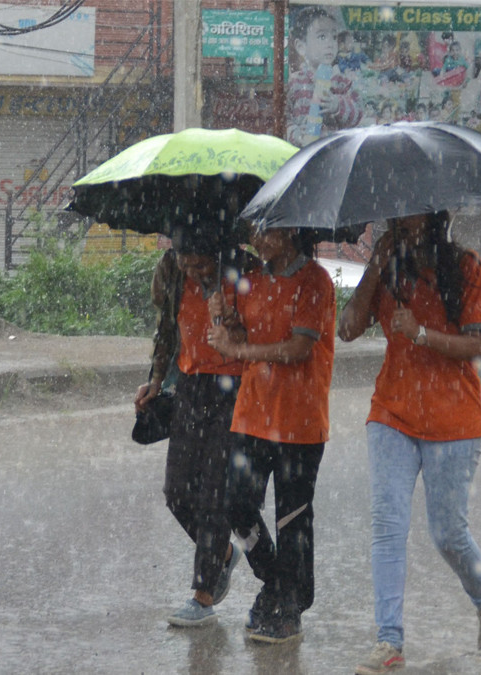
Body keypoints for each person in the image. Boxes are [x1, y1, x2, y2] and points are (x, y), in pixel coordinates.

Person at [337, 211, 481, 674]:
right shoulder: (389, 269)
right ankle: (388, 642)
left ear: (433, 217)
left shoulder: (468, 268)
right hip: (391, 414)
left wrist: (421, 333)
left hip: (454, 419)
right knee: (388, 527)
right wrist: (375, 266)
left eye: (410, 215)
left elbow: (478, 346)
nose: (400, 222)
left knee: (447, 533)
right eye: (395, 216)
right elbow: (347, 329)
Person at [206, 226, 335, 645]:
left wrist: (241, 351)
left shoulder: (314, 280)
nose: (256, 239)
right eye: (253, 231)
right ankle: (278, 581)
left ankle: (290, 606)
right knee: (236, 504)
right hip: (252, 414)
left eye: (266, 231)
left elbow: (298, 349)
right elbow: (242, 337)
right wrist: (224, 321)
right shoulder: (253, 279)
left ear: (292, 232)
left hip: (299, 419)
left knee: (292, 518)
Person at [136, 226, 256, 628]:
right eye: (185, 260)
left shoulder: (243, 272)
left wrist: (231, 320)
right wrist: (156, 382)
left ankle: (203, 595)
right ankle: (223, 553)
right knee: (177, 490)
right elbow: (167, 330)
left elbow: (261, 332)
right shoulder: (171, 271)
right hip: (190, 384)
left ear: (218, 252)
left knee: (213, 494)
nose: (192, 270)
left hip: (235, 386)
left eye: (201, 263)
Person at [285, 6, 361, 148]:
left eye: (334, 37)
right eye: (322, 37)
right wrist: (296, 134)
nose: (330, 44)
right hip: (301, 155)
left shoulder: (342, 83)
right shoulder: (294, 82)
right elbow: (284, 118)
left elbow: (357, 114)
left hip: (333, 153)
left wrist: (338, 106)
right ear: (301, 47)